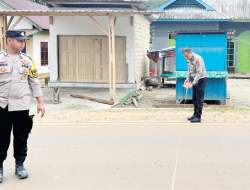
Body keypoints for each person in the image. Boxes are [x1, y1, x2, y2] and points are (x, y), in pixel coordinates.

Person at [0, 30, 45, 182]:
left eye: (23, 41)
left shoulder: (28, 60)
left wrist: (40, 102)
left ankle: (20, 165)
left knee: (21, 137)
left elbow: (34, 82)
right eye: (19, 40)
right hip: (2, 105)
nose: (22, 43)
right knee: (1, 138)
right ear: (9, 40)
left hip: (21, 104)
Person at [182, 48, 207, 123]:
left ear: (191, 53)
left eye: (187, 56)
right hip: (195, 79)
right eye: (185, 56)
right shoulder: (189, 60)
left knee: (199, 99)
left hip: (201, 80)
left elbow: (199, 73)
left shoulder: (198, 59)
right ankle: (195, 114)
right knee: (194, 98)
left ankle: (198, 117)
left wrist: (193, 83)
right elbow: (189, 70)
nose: (186, 58)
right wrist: (187, 79)